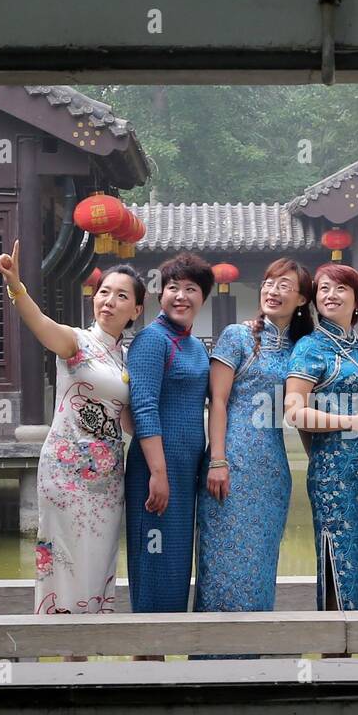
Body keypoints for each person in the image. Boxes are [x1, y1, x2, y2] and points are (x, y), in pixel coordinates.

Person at [0, 243, 144, 615]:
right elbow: (39, 322)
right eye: (104, 292)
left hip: (108, 481)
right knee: (62, 565)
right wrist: (16, 286)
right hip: (66, 473)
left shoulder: (129, 357)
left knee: (98, 565)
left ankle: (81, 660)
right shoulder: (77, 341)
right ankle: (61, 653)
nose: (108, 300)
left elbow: (128, 419)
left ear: (136, 310)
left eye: (121, 295)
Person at [195, 259, 314, 611]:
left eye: (284, 285)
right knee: (222, 562)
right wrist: (218, 459)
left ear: (303, 299)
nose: (272, 291)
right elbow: (217, 401)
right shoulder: (238, 336)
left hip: (272, 470)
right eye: (269, 282)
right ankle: (214, 659)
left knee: (261, 564)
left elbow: (301, 416)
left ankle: (254, 658)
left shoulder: (300, 349)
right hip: (230, 462)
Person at [284, 264, 358, 611]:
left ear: (357, 299)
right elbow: (294, 412)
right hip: (333, 476)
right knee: (339, 560)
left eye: (340, 288)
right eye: (323, 289)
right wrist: (352, 422)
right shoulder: (310, 348)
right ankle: (334, 655)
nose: (330, 295)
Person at [124, 252, 214, 613]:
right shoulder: (152, 340)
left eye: (191, 288)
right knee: (154, 563)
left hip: (184, 469)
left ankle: (160, 661)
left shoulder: (195, 346)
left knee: (176, 568)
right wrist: (158, 475)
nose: (181, 296)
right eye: (173, 287)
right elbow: (143, 408)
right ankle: (146, 660)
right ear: (160, 295)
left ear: (203, 297)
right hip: (155, 471)